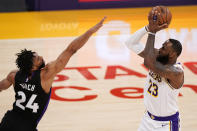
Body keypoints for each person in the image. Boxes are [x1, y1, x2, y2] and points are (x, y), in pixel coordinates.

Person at [0, 17, 106, 131]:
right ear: (32, 67)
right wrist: (90, 32)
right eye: (38, 59)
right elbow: (71, 50)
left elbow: (1, 87)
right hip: (26, 127)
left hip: (8, 121)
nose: (41, 57)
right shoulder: (45, 75)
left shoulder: (14, 75)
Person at [125, 8, 184, 131]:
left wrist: (152, 33)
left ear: (172, 54)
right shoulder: (158, 56)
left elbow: (149, 63)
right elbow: (130, 43)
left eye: (164, 47)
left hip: (166, 124)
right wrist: (147, 28)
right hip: (147, 119)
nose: (160, 48)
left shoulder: (176, 72)